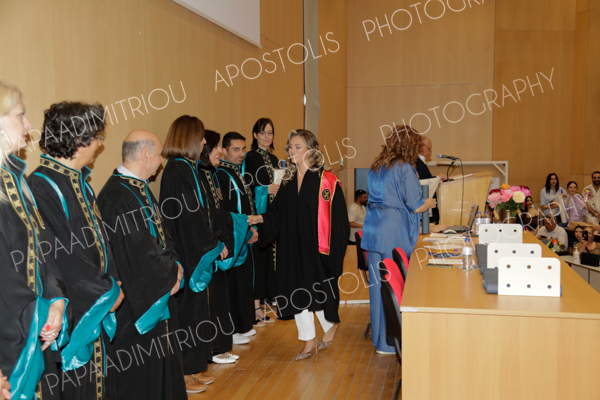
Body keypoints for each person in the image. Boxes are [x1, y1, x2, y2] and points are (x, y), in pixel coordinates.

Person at [28, 101, 124, 400]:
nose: (100, 144)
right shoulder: (40, 186)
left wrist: (114, 280)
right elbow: (59, 256)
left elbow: (100, 242)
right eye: (98, 137)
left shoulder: (81, 183)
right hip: (71, 307)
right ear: (80, 140)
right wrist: (106, 290)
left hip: (95, 296)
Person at [96, 129, 194, 398]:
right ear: (145, 154)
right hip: (136, 306)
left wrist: (176, 265)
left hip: (158, 292)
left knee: (162, 371)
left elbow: (164, 236)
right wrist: (172, 272)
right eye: (159, 155)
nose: (162, 161)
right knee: (140, 379)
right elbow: (139, 250)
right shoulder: (117, 196)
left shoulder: (140, 188)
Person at [248, 129, 349, 360]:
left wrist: (334, 251)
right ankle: (308, 339)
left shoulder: (327, 181)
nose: (292, 151)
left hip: (318, 249)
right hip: (292, 247)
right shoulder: (288, 180)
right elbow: (277, 213)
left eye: (297, 147)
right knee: (296, 292)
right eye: (290, 147)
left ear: (311, 150)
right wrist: (260, 219)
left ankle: (329, 325)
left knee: (318, 291)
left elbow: (339, 220)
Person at [0, 82, 67, 400]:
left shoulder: (17, 183)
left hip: (32, 332)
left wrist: (56, 301)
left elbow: (42, 250)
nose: (29, 125)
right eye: (20, 115)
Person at [159, 116, 232, 392]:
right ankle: (185, 373)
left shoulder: (185, 168)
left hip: (191, 250)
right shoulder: (178, 169)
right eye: (200, 137)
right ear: (189, 138)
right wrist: (213, 245)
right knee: (187, 314)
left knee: (195, 313)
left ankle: (192, 368)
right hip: (186, 253)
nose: (203, 142)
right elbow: (190, 218)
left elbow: (202, 213)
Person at [361, 125, 437, 355]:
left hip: (372, 229)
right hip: (392, 230)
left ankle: (380, 339)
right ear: (410, 145)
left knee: (378, 287)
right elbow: (416, 205)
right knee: (393, 286)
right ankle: (388, 344)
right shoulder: (404, 167)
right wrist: (430, 202)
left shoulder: (376, 166)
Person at [197, 130, 240, 363]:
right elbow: (204, 216)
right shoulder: (197, 175)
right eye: (214, 148)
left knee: (222, 298)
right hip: (210, 247)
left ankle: (222, 345)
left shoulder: (212, 174)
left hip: (220, 243)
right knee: (211, 300)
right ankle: (215, 349)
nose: (220, 152)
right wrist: (215, 243)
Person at [213, 132, 259, 339]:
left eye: (243, 149)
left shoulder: (237, 172)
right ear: (224, 150)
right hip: (234, 237)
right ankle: (232, 330)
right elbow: (227, 212)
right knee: (233, 283)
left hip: (245, 234)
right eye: (236, 149)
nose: (241, 154)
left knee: (243, 281)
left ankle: (243, 324)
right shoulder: (221, 175)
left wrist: (253, 228)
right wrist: (245, 231)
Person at [242, 118, 279, 326]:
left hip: (271, 216)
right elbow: (246, 188)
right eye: (263, 132)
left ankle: (268, 299)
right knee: (258, 260)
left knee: (269, 261)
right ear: (255, 135)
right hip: (258, 216)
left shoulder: (274, 159)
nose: (267, 136)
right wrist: (265, 189)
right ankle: (255, 308)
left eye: (270, 132)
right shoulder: (251, 157)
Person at [415, 136, 446, 223]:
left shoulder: (419, 161)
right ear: (421, 146)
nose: (430, 152)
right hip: (423, 209)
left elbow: (423, 177)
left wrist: (436, 178)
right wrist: (436, 178)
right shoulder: (415, 162)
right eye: (429, 149)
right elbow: (421, 181)